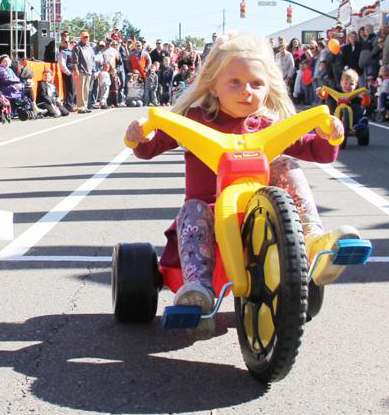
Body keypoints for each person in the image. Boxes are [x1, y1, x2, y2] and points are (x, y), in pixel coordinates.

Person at [124, 33, 355, 338]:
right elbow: (151, 145)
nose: (246, 91)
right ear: (213, 84)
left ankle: (314, 242)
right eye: (235, 82)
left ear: (268, 87)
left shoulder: (267, 123)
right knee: (192, 210)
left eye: (256, 84)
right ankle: (198, 288)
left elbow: (316, 150)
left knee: (287, 165)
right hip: (208, 216)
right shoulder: (194, 119)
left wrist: (330, 136)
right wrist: (141, 135)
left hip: (263, 215)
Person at [71, 30, 94, 113]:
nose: (85, 38)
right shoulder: (77, 47)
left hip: (89, 71)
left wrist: (92, 70)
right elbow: (74, 61)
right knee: (80, 90)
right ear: (81, 37)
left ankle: (85, 106)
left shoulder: (90, 48)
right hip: (80, 71)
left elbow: (92, 59)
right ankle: (80, 107)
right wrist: (75, 70)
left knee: (86, 90)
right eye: (84, 37)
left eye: (87, 37)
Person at [57, 40, 75, 111]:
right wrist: (69, 73)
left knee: (73, 89)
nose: (68, 43)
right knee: (69, 89)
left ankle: (71, 104)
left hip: (73, 72)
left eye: (69, 42)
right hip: (68, 73)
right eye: (66, 42)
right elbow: (62, 64)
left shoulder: (72, 52)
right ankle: (69, 105)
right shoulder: (63, 52)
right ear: (63, 44)